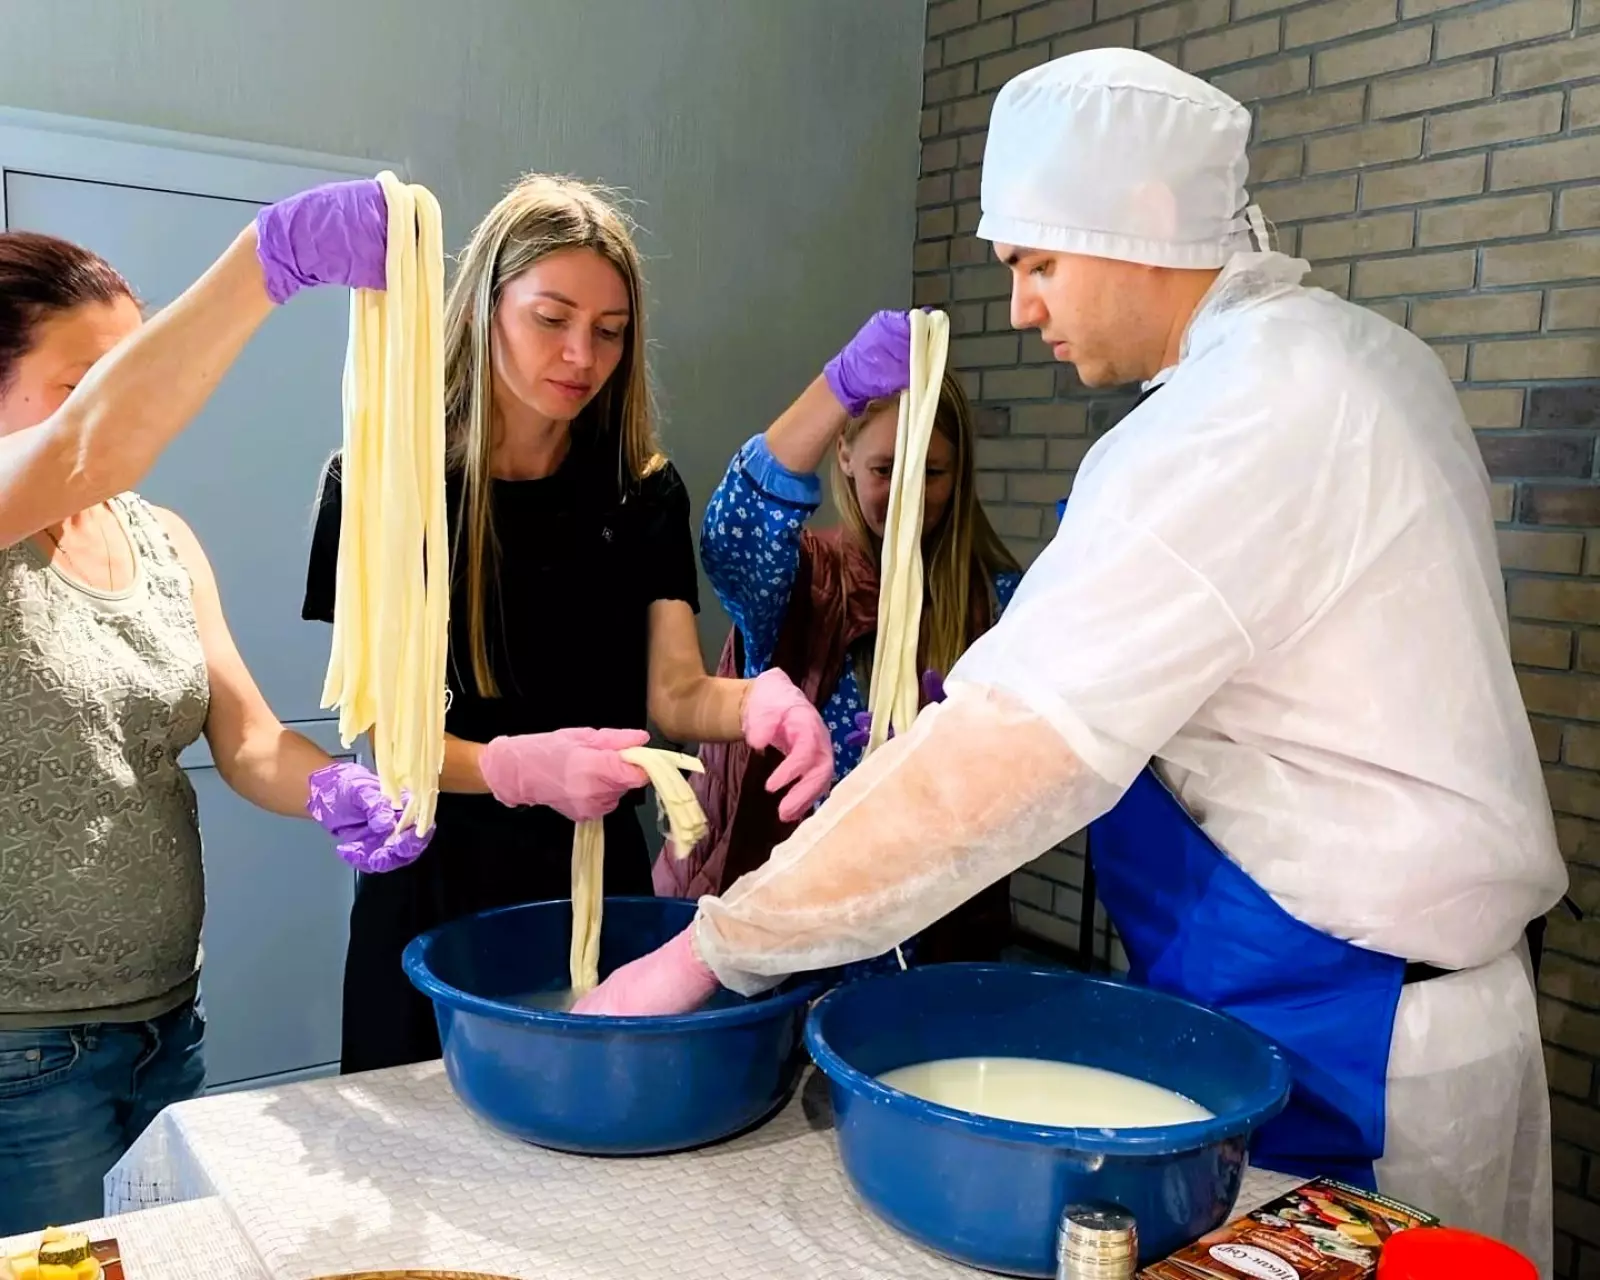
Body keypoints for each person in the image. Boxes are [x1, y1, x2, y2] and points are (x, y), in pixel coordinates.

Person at [573, 49, 1566, 1274]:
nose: (1020, 308)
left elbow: (994, 760)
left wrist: (704, 952)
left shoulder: (1234, 421)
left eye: (1036, 263)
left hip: (1354, 1040)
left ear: (1139, 223)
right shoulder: (1355, 358)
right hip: (1380, 1000)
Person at [301, 174, 833, 1074]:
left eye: (610, 331)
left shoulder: (641, 492)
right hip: (436, 885)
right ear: (486, 307)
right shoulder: (382, 486)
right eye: (552, 319)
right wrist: (515, 768)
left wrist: (757, 705)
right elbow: (392, 742)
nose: (582, 355)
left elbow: (675, 693)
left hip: (593, 883)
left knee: (593, 1117)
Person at [0, 206, 424, 1231]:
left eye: (135, 370)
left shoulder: (161, 539)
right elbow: (84, 446)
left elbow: (244, 736)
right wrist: (263, 264)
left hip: (165, 1020)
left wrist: (331, 785)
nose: (126, 407)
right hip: (22, 1053)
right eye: (85, 382)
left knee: (163, 1257)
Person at [659, 333, 1020, 969]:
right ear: (845, 455)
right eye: (886, 469)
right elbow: (732, 538)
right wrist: (837, 388)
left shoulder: (995, 599)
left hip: (925, 931)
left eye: (931, 472)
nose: (907, 495)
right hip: (779, 920)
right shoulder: (804, 581)